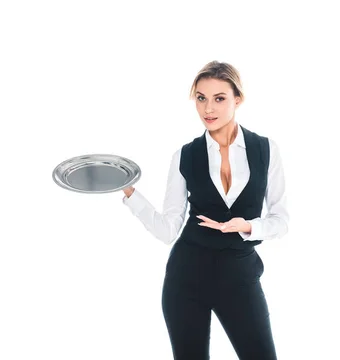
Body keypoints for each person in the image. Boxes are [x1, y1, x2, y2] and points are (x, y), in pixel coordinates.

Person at [121, 60, 289, 359]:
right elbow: (168, 229)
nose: (207, 109)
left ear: (238, 99)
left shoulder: (266, 150)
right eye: (201, 98)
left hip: (239, 278)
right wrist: (130, 193)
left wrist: (248, 226)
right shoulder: (184, 156)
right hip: (187, 277)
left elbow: (281, 220)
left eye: (219, 98)